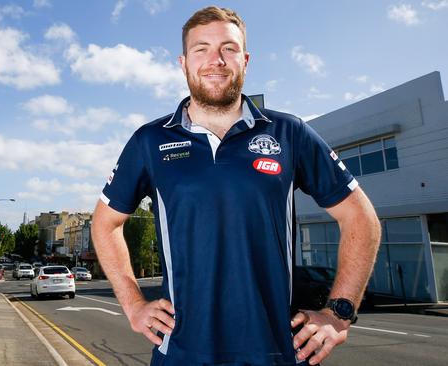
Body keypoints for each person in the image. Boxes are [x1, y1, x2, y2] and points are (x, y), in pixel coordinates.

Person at [91, 6, 381, 366]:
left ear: (245, 60)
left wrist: (339, 312)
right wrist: (133, 304)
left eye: (228, 48)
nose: (216, 60)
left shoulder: (289, 133)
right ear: (184, 62)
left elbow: (361, 219)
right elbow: (105, 222)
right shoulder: (150, 141)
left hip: (280, 354)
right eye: (202, 49)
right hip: (180, 354)